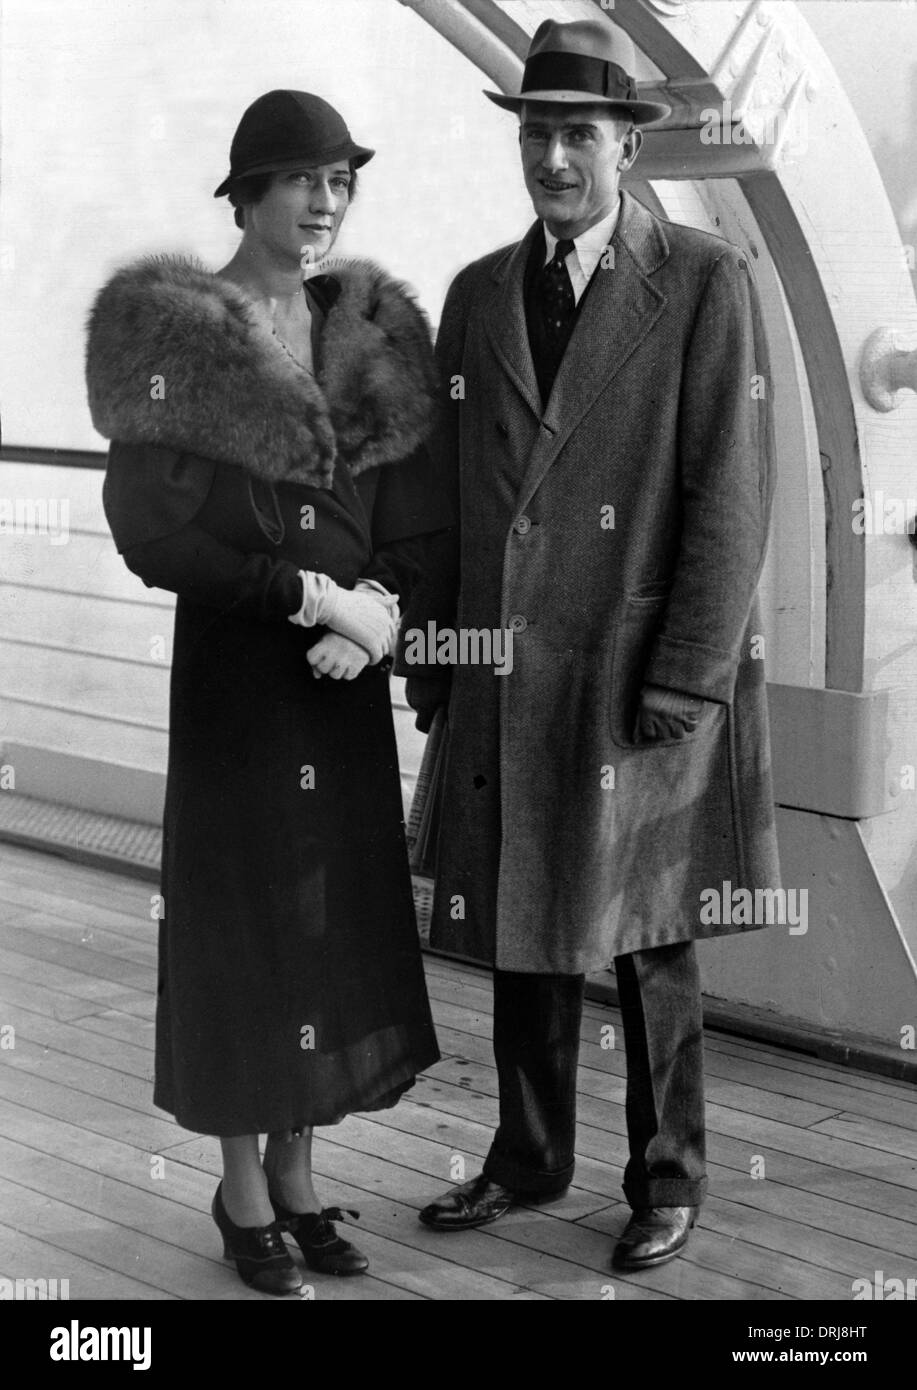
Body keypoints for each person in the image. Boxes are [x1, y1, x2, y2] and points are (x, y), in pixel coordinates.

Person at [400, 18, 781, 1272]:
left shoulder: (706, 285)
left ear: (626, 144)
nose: (553, 156)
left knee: (646, 929)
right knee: (523, 911)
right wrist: (434, 659)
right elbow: (444, 496)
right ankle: (525, 1156)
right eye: (536, 132)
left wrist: (688, 670)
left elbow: (730, 493)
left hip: (634, 673)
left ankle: (667, 1176)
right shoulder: (475, 295)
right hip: (506, 670)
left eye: (577, 133)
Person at [85, 90, 447, 1294]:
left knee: (322, 917)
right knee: (243, 920)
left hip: (343, 686)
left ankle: (297, 1177)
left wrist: (383, 611)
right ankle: (242, 1191)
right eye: (300, 179)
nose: (325, 201)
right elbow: (149, 531)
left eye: (341, 178)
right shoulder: (177, 336)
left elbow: (417, 508)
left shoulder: (373, 328)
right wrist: (302, 598)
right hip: (245, 678)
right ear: (244, 195)